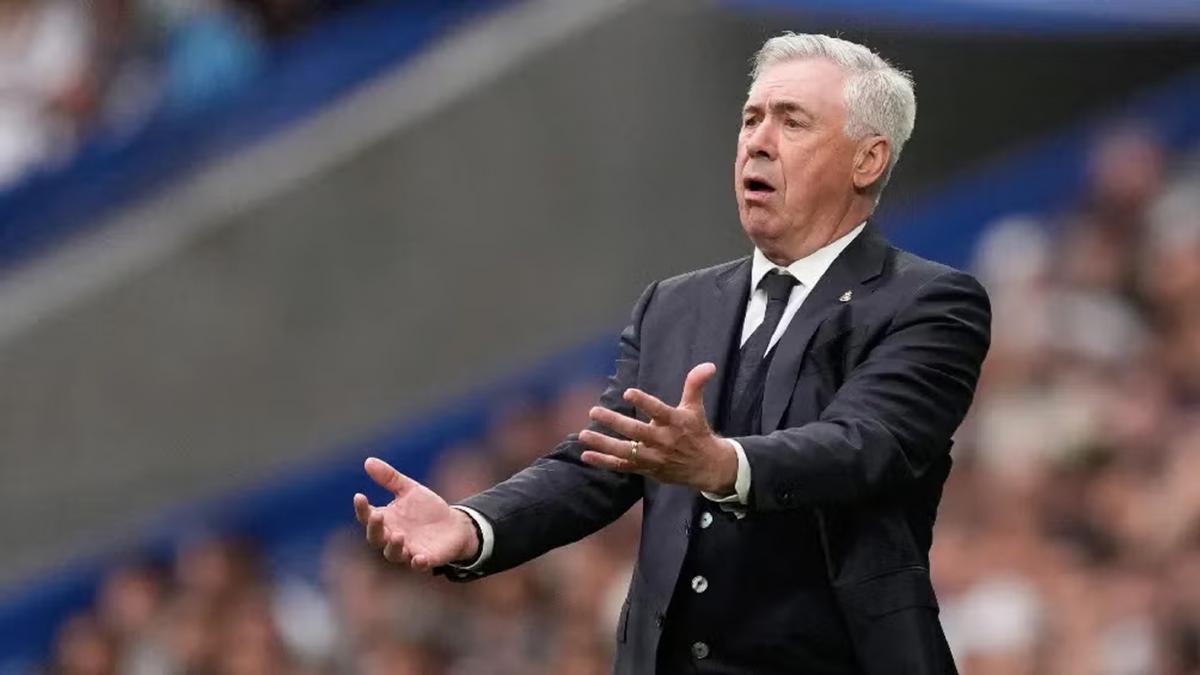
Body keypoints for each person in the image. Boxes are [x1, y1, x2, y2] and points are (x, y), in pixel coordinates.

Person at [352, 32, 991, 674]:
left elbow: (866, 445)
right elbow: (601, 461)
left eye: (792, 121)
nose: (758, 141)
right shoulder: (674, 305)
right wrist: (473, 526)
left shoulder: (930, 301)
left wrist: (724, 464)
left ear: (868, 160)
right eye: (751, 118)